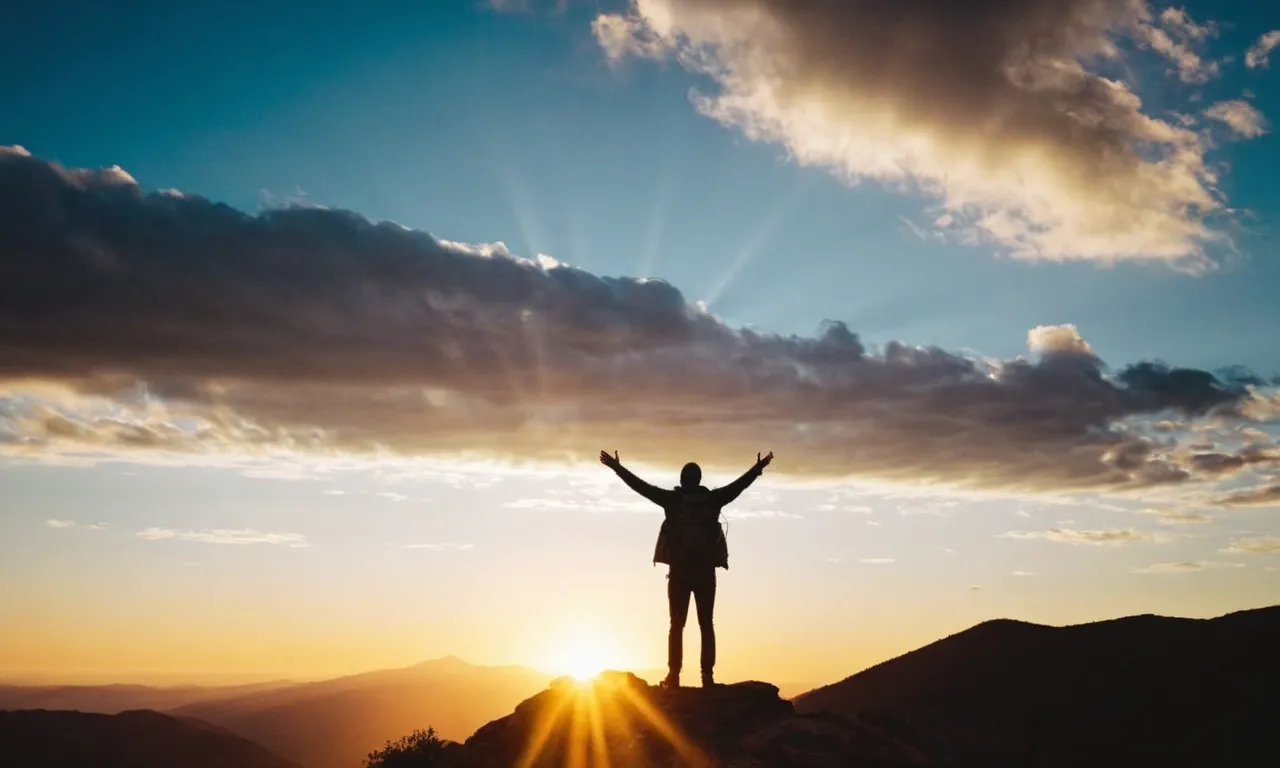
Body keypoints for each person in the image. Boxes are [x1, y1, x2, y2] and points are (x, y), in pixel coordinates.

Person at [599, 449, 774, 689]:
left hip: (679, 573)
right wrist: (757, 469)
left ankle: (673, 677)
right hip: (705, 574)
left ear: (682, 480)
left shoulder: (672, 501)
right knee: (706, 624)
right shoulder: (713, 500)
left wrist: (617, 468)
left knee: (676, 625)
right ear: (699, 480)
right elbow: (738, 487)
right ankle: (707, 677)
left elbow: (641, 487)